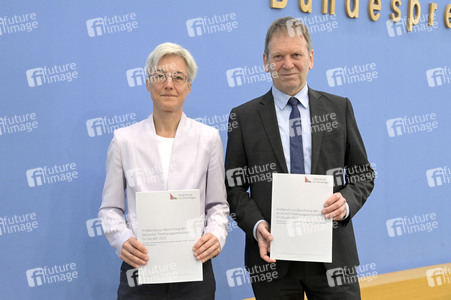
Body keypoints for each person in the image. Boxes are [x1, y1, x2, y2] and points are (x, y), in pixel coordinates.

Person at [225, 17, 375, 300]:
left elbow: (363, 174)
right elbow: (232, 188)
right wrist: (257, 225)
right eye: (278, 56)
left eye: (296, 54)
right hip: (272, 260)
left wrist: (346, 203)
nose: (287, 63)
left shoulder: (339, 108)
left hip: (333, 256)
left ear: (311, 58)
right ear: (265, 61)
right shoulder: (243, 118)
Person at [99, 42, 229, 300]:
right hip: (140, 268)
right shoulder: (124, 140)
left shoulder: (208, 138)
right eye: (160, 76)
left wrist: (215, 234)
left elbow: (217, 205)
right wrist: (122, 239)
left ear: (189, 86)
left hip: (194, 270)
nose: (169, 84)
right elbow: (110, 209)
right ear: (148, 83)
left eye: (178, 77)